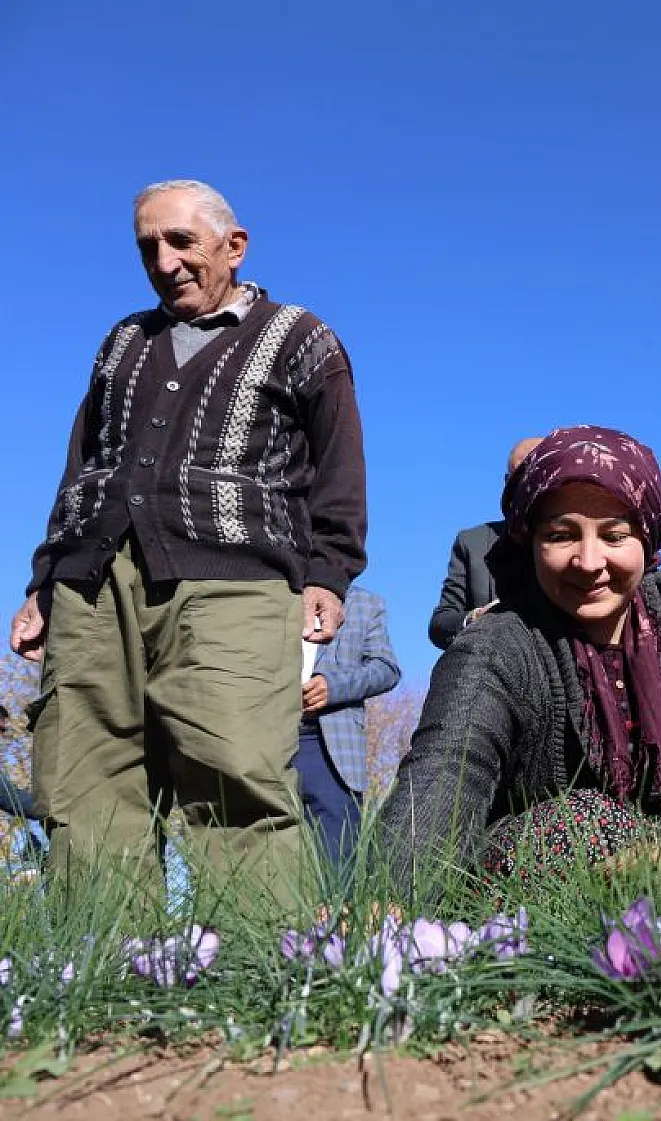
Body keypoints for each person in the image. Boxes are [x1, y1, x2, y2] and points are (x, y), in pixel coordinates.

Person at [9, 180, 367, 895]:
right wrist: (45, 581)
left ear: (234, 246)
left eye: (180, 241)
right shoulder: (123, 342)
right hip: (93, 579)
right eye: (148, 246)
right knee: (84, 774)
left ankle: (264, 981)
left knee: (234, 763)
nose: (163, 260)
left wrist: (329, 570)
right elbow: (85, 463)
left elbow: (340, 463)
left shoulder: (301, 336)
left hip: (236, 576)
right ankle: (101, 978)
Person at [377, 426, 661, 899]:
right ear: (530, 540)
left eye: (615, 536)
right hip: (539, 905)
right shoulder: (496, 646)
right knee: (582, 823)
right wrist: (389, 908)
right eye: (561, 535)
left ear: (647, 537)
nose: (589, 561)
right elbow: (445, 773)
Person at [299, 585, 401, 869]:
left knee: (336, 870)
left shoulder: (366, 603)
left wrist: (335, 686)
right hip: (266, 737)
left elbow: (387, 668)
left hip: (331, 749)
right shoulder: (266, 590)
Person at [428, 437, 545, 649]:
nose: (527, 483)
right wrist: (476, 617)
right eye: (518, 475)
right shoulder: (472, 543)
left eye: (537, 473)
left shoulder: (578, 545)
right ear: (506, 484)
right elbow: (440, 624)